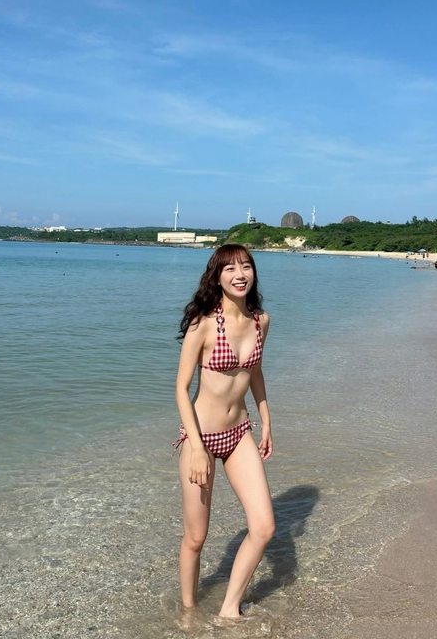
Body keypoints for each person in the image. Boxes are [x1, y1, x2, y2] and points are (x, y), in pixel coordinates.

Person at [174, 243, 275, 619]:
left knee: (264, 527)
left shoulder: (260, 320)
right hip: (200, 437)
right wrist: (197, 448)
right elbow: (181, 388)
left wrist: (266, 420)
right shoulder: (202, 324)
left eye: (246, 266)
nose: (239, 274)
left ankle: (229, 609)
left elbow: (255, 372)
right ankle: (188, 616)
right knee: (196, 537)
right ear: (217, 277)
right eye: (230, 268)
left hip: (239, 434)